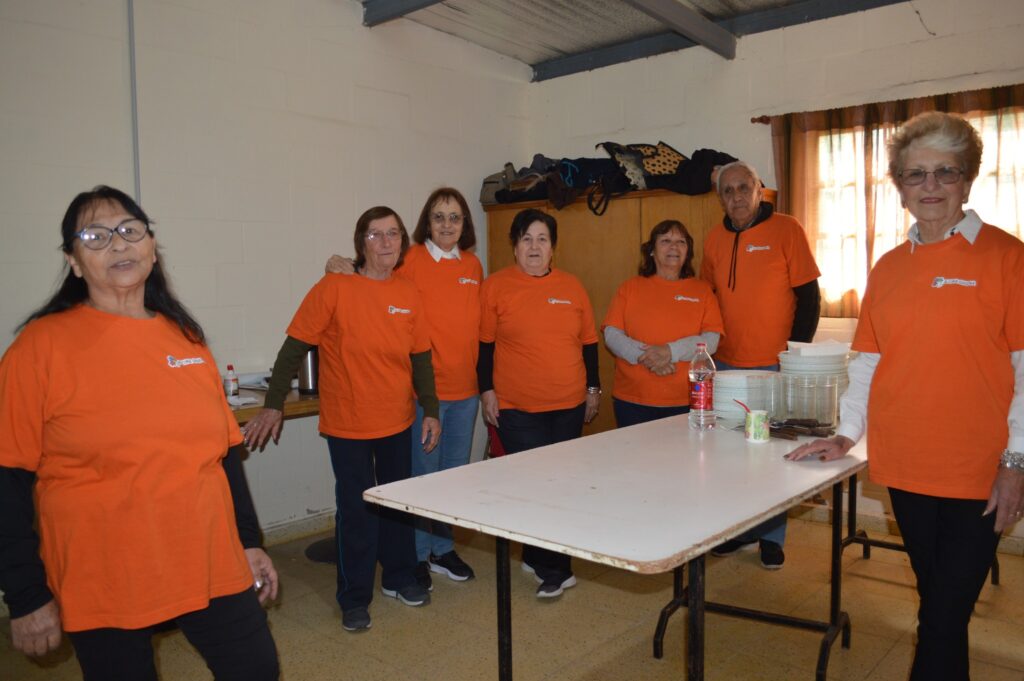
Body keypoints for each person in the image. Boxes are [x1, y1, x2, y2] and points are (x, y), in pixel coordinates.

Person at [0, 186, 280, 680]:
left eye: (130, 230)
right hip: (105, 573)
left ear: (151, 247)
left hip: (209, 558)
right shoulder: (39, 348)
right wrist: (25, 595)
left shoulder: (186, 338)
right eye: (96, 236)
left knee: (256, 669)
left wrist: (248, 542)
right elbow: (7, 478)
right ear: (74, 262)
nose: (118, 244)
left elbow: (224, 456)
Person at [787, 111, 1024, 681]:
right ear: (899, 186)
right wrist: (846, 434)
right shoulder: (889, 268)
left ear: (968, 178)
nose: (931, 186)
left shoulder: (1007, 257)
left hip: (980, 468)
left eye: (946, 171)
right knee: (940, 604)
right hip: (905, 463)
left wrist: (1016, 460)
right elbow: (869, 363)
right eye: (916, 174)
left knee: (941, 615)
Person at [245, 206, 439, 633]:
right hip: (349, 423)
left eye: (393, 234)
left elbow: (421, 357)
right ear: (361, 243)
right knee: (357, 511)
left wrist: (431, 409)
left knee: (398, 505)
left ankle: (399, 578)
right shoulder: (334, 287)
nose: (385, 242)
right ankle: (353, 597)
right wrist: (274, 403)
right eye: (375, 234)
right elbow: (293, 347)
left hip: (398, 419)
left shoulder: (408, 293)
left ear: (403, 242)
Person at [326, 188, 482, 591]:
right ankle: (414, 555)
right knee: (420, 481)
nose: (447, 224)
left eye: (455, 217)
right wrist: (339, 264)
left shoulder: (472, 265)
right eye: (438, 216)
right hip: (422, 395)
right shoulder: (409, 258)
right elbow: (372, 274)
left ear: (465, 224)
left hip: (465, 393)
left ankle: (442, 549)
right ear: (426, 222)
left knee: (452, 479)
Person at [702, 160, 822, 569]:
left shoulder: (787, 229)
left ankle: (771, 537)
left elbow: (809, 298)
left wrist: (793, 358)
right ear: (720, 198)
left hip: (773, 367)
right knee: (729, 457)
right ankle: (738, 531)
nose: (736, 197)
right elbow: (707, 300)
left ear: (759, 190)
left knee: (771, 459)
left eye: (743, 188)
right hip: (726, 366)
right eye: (728, 191)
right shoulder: (714, 239)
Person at [478, 208, 600, 598]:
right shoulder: (496, 287)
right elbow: (484, 346)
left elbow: (589, 343)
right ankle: (556, 569)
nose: (534, 246)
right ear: (514, 246)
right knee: (538, 485)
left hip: (568, 404)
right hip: (517, 407)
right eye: (526, 238)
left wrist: (593, 389)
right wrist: (486, 390)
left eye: (542, 239)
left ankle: (536, 555)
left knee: (561, 483)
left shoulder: (572, 287)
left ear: (553, 248)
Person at [602, 219, 724, 426]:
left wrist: (670, 351)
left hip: (688, 398)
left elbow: (711, 341)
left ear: (688, 251)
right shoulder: (629, 288)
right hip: (633, 399)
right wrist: (649, 358)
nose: (674, 246)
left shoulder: (703, 291)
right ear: (651, 250)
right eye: (665, 241)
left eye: (681, 242)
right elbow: (612, 335)